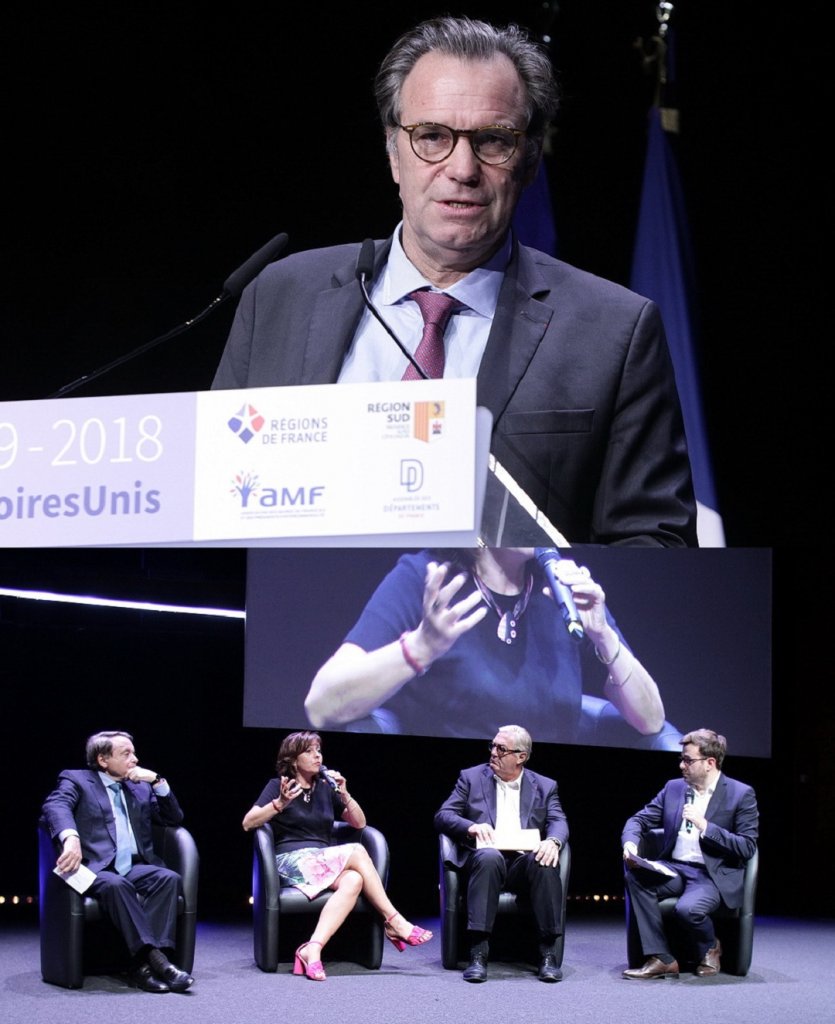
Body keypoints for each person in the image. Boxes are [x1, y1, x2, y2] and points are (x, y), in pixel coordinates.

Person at [211, 15, 696, 548]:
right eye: (433, 137)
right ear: (393, 151)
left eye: (493, 140)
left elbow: (656, 546)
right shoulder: (279, 297)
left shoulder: (614, 331)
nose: (462, 168)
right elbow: (213, 499)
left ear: (529, 160)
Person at [305, 546, 672, 747]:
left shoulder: (562, 591)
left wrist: (603, 634)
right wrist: (419, 648)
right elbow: (321, 704)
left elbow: (651, 719)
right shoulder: (428, 575)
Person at [242, 730, 432, 980]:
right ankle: (394, 921)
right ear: (292, 759)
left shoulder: (325, 787)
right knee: (357, 850)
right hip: (289, 861)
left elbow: (359, 824)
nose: (317, 756)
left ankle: (313, 948)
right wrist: (279, 804)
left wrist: (344, 793)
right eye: (308, 751)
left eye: (318, 750)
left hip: (321, 861)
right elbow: (248, 823)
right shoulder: (279, 785)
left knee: (354, 880)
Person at [40, 730, 194, 994]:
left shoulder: (140, 786)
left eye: (134, 752)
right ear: (102, 760)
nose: (135, 759)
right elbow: (55, 806)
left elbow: (173, 819)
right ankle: (159, 963)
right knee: (116, 885)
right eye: (126, 754)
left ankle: (142, 968)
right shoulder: (77, 780)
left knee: (168, 878)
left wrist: (158, 781)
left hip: (134, 865)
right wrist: (71, 837)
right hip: (94, 866)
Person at [621, 728, 759, 980]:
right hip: (675, 867)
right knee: (636, 877)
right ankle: (662, 958)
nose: (682, 765)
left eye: (688, 760)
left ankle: (711, 946)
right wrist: (630, 845)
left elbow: (747, 846)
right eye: (681, 759)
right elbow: (638, 820)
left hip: (710, 874)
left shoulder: (740, 794)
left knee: (687, 910)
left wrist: (706, 826)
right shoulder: (674, 789)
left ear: (710, 763)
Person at [434, 724, 568, 983]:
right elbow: (443, 815)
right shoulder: (471, 778)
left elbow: (558, 820)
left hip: (521, 863)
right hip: (482, 861)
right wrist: (470, 827)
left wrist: (553, 841)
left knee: (544, 861)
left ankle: (547, 954)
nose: (493, 752)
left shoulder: (545, 785)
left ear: (521, 757)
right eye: (493, 746)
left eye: (501, 749)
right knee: (490, 856)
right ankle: (478, 953)